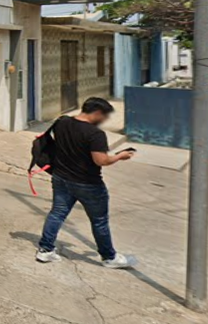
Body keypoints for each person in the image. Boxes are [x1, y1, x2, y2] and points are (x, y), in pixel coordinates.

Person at [36, 97, 136, 268]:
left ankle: (45, 250)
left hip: (61, 178)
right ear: (97, 113)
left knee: (57, 214)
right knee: (99, 221)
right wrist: (120, 156)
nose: (105, 120)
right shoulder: (95, 134)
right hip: (88, 183)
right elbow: (101, 160)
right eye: (104, 116)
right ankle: (109, 257)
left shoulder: (62, 122)